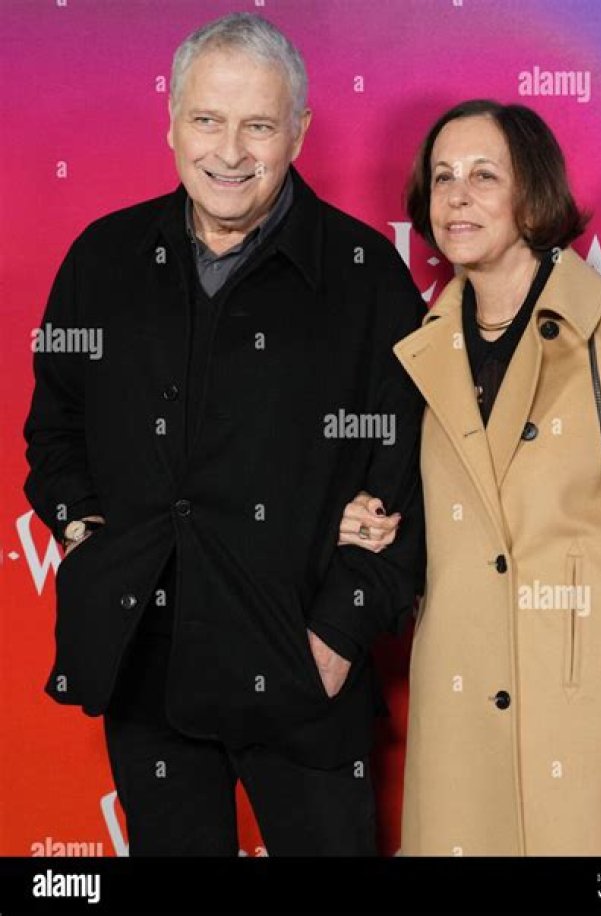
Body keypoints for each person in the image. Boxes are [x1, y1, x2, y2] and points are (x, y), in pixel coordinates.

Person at [22, 13, 425, 856]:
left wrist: (336, 637)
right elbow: (55, 426)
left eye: (259, 125)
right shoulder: (103, 259)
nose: (230, 152)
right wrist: (85, 533)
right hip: (146, 661)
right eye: (207, 119)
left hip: (301, 664)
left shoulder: (365, 278)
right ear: (172, 122)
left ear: (299, 132)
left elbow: (406, 470)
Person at [337, 100, 601, 856]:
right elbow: (416, 510)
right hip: (458, 703)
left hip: (588, 702)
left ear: (532, 194)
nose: (457, 196)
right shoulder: (417, 352)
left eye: (483, 176)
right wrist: (368, 520)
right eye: (443, 178)